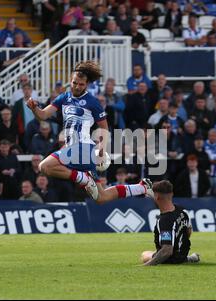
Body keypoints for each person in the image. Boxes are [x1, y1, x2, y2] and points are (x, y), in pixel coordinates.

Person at [26, 61, 154, 203]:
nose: (77, 86)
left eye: (81, 84)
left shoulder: (92, 102)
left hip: (83, 148)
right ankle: (141, 188)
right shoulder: (63, 98)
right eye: (75, 83)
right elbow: (43, 115)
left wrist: (101, 147)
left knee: (44, 167)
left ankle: (83, 178)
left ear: (86, 85)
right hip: (74, 150)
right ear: (70, 81)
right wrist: (34, 108)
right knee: (101, 198)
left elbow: (104, 128)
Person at [140, 180, 200, 266]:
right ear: (172, 194)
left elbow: (167, 251)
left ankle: (186, 258)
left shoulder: (165, 220)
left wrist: (146, 265)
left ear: (157, 196)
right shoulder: (182, 210)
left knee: (144, 255)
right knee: (155, 252)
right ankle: (188, 258)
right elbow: (188, 231)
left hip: (170, 259)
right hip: (183, 253)